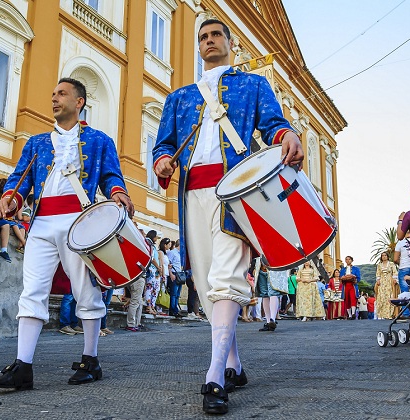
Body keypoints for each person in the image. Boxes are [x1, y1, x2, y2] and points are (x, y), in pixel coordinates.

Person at [152, 18, 303, 415]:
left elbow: (273, 124)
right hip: (192, 195)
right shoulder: (179, 97)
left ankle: (215, 374)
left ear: (231, 44)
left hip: (235, 191)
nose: (208, 41)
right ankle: (234, 364)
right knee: (205, 284)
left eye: (215, 35)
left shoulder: (252, 85)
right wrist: (163, 160)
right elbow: (163, 144)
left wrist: (286, 134)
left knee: (226, 278)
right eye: (202, 37)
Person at [0, 77, 133, 390]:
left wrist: (118, 192)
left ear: (79, 102)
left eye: (62, 94)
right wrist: (10, 197)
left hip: (79, 221)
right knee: (32, 291)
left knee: (86, 291)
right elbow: (18, 180)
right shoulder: (36, 143)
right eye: (53, 93)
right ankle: (23, 366)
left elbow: (110, 176)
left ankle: (90, 359)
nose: (54, 98)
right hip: (40, 224)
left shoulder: (99, 140)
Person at [0, 178, 26, 261]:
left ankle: (20, 244)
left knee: (22, 227)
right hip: (2, 217)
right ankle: (23, 242)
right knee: (14, 226)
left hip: (9, 218)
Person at [253, 260, 286, 331]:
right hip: (260, 267)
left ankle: (272, 319)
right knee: (264, 294)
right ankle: (269, 322)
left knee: (273, 292)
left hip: (274, 266)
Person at [374, 251, 399, 320]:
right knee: (381, 297)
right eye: (382, 255)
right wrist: (378, 280)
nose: (384, 257)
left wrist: (394, 279)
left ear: (387, 256)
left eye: (385, 255)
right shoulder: (379, 265)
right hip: (382, 282)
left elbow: (394, 272)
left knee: (390, 296)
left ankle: (390, 314)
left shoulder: (391, 264)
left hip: (389, 282)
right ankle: (381, 314)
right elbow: (378, 273)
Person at [393, 234, 410, 318]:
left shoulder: (400, 243)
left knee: (405, 291)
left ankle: (406, 314)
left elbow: (395, 259)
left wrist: (400, 263)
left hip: (403, 268)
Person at [143, 230, 161, 315]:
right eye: (156, 237)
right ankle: (148, 306)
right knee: (149, 288)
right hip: (151, 269)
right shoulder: (149, 246)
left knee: (155, 289)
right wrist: (158, 267)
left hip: (155, 270)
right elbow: (152, 259)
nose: (156, 238)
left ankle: (152, 305)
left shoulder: (154, 247)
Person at [166, 239, 184, 317]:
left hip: (179, 274)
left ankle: (176, 310)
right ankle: (172, 310)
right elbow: (168, 263)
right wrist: (170, 274)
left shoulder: (181, 254)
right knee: (173, 293)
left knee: (177, 294)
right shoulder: (172, 252)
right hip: (174, 273)